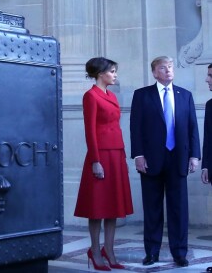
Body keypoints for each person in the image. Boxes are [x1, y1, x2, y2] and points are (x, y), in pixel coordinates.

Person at [130, 56, 200, 267]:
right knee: (152, 208)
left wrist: (194, 155)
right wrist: (138, 155)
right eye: (163, 67)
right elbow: (136, 127)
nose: (168, 70)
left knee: (179, 209)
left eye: (170, 67)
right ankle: (151, 252)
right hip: (151, 160)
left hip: (178, 158)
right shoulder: (142, 95)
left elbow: (192, 128)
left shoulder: (185, 95)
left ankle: (180, 252)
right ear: (154, 72)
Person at [74, 57, 133, 271]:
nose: (115, 75)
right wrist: (96, 161)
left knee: (113, 207)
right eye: (112, 71)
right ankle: (95, 250)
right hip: (100, 156)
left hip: (116, 154)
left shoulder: (113, 96)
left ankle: (109, 250)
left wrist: (123, 157)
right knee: (97, 207)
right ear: (100, 73)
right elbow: (90, 131)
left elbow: (116, 127)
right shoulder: (90, 96)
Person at [202, 64, 212, 186]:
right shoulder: (209, 105)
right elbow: (208, 139)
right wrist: (206, 166)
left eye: (211, 75)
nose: (207, 79)